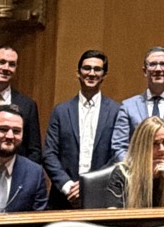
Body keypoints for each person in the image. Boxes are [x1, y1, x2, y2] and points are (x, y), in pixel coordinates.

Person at [43, 49, 121, 208]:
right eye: (87, 68)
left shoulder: (117, 111)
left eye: (97, 69)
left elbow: (119, 156)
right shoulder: (61, 111)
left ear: (104, 76)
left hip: (102, 197)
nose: (91, 73)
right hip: (62, 198)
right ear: (78, 73)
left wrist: (89, 186)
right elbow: (49, 154)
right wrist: (67, 186)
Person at [110, 47, 164, 175]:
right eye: (152, 64)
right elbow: (119, 147)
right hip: (136, 182)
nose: (158, 69)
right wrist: (138, 170)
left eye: (163, 64)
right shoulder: (128, 106)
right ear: (145, 71)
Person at [88, 115, 164, 210]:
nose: (162, 149)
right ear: (141, 146)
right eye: (155, 143)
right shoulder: (122, 173)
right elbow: (113, 217)